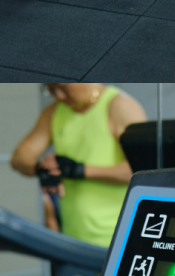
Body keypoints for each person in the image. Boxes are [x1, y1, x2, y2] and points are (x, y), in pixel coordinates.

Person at [10, 84, 147, 247]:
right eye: (51, 90)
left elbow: (143, 170)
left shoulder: (119, 106)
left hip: (120, 237)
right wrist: (42, 169)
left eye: (62, 88)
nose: (59, 96)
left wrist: (80, 169)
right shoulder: (54, 111)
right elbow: (19, 158)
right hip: (74, 238)